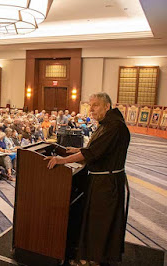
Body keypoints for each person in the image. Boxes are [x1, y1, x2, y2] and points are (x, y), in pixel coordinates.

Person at [46, 92, 130, 266]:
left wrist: (62, 160)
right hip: (103, 180)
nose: (91, 109)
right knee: (95, 220)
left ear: (107, 106)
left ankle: (93, 260)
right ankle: (93, 257)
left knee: (100, 222)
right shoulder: (107, 123)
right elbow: (95, 148)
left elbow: (93, 153)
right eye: (90, 105)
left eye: (95, 105)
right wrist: (73, 151)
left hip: (107, 183)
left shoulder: (114, 126)